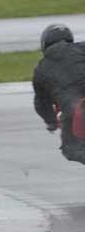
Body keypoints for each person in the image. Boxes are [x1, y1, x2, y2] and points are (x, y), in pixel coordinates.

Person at [33, 24, 85, 163]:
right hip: (77, 108)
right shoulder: (81, 48)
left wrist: (51, 122)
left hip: (75, 111)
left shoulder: (40, 69)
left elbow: (41, 104)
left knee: (71, 149)